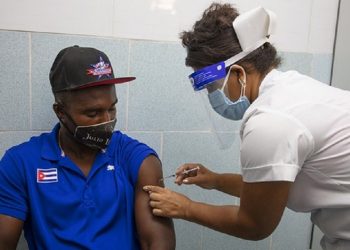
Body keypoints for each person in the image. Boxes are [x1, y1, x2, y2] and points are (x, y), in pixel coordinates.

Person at [143, 3, 350, 250]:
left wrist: (185, 207)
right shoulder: (293, 88)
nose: (213, 95)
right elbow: (267, 190)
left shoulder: (271, 121)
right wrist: (215, 180)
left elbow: (254, 224)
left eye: (212, 86)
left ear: (239, 73)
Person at [0, 45, 175, 250]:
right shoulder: (20, 163)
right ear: (60, 112)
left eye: (112, 108)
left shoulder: (138, 160)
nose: (107, 121)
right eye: (93, 114)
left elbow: (156, 243)